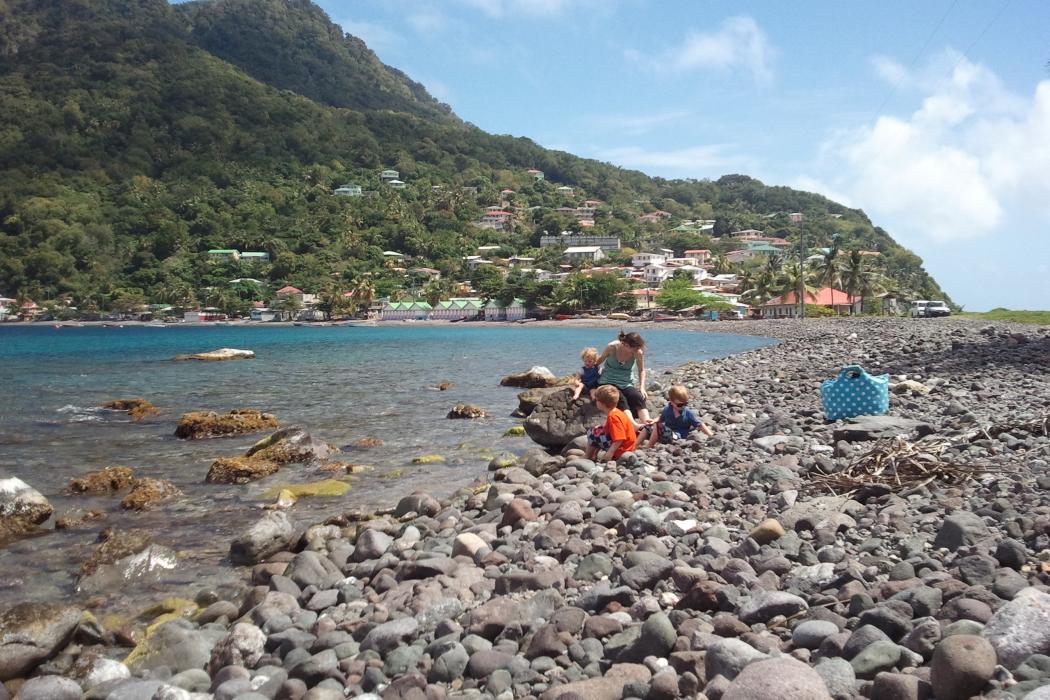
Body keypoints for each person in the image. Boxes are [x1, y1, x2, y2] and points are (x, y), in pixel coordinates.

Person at [595, 330, 650, 424]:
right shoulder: (612, 347)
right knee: (620, 397)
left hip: (626, 382)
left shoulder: (638, 353)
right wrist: (587, 373)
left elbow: (641, 370)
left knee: (637, 397)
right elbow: (599, 361)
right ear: (626, 345)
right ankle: (633, 425)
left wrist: (642, 387)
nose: (637, 351)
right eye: (635, 349)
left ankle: (647, 423)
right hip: (608, 379)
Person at [640, 385, 714, 447]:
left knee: (657, 426)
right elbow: (661, 418)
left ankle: (649, 446)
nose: (683, 406)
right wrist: (654, 421)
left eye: (685, 403)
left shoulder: (688, 413)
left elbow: (700, 425)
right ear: (671, 402)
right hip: (666, 433)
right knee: (647, 427)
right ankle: (635, 445)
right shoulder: (667, 409)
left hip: (676, 437)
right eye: (680, 405)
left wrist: (711, 435)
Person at [585, 385, 638, 462]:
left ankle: (587, 456)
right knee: (598, 430)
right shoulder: (617, 411)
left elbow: (619, 438)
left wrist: (610, 452)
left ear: (602, 404)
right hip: (627, 445)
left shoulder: (613, 417)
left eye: (596, 400)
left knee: (592, 433)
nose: (595, 402)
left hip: (622, 449)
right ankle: (594, 455)